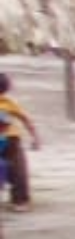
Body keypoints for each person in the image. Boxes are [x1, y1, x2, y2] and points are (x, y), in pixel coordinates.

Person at [0, 73, 43, 211]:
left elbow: (25, 119)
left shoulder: (8, 103)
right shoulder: (9, 103)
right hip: (12, 139)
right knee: (19, 171)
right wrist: (35, 137)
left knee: (18, 171)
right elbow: (26, 120)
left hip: (10, 140)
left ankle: (20, 200)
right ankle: (20, 201)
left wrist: (35, 137)